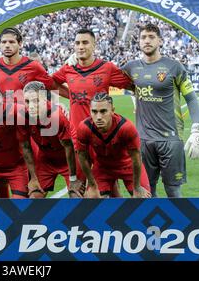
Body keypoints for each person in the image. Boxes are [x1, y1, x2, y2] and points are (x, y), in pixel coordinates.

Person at [122, 23, 199, 197]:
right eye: (143, 37)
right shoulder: (130, 68)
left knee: (173, 190)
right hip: (144, 141)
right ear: (138, 41)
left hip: (171, 140)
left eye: (151, 37)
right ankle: (152, 225)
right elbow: (105, 78)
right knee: (147, 191)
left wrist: (197, 129)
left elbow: (191, 98)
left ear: (160, 40)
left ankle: (180, 225)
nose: (147, 41)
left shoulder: (174, 67)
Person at [0, 27, 69, 198]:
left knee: (30, 177)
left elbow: (51, 87)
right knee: (1, 178)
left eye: (11, 42)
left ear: (20, 44)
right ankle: (5, 220)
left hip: (27, 128)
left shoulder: (33, 67)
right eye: (4, 42)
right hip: (2, 131)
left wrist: (67, 102)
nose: (7, 45)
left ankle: (26, 215)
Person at [52, 28, 133, 194]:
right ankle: (78, 220)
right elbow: (51, 83)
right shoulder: (68, 69)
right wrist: (71, 95)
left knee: (110, 187)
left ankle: (116, 219)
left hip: (102, 138)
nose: (80, 46)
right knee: (76, 189)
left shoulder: (107, 68)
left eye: (85, 42)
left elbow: (131, 84)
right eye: (77, 43)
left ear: (94, 45)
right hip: (78, 138)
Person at [76, 92, 151, 198]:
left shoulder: (126, 127)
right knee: (93, 198)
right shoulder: (84, 128)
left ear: (112, 111)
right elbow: (82, 156)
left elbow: (136, 158)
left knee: (142, 199)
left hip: (128, 166)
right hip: (102, 167)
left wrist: (137, 186)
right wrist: (92, 185)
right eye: (94, 112)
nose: (98, 117)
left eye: (103, 111)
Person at [0, 82, 42, 199]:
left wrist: (59, 108)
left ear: (0, 99)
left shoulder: (15, 111)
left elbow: (39, 108)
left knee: (19, 203)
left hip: (17, 166)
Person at [22, 81, 84, 198]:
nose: (31, 106)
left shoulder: (57, 117)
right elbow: (25, 146)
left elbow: (69, 147)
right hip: (46, 159)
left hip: (69, 158)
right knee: (34, 197)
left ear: (46, 100)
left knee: (76, 196)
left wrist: (73, 179)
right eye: (27, 101)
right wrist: (33, 178)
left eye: (36, 101)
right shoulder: (22, 115)